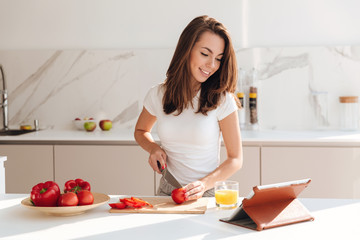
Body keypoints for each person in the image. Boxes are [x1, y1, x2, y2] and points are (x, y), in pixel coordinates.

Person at [134, 15, 243, 201]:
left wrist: (204, 184)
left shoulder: (222, 99)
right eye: (205, 54)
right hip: (168, 191)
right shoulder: (158, 94)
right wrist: (152, 148)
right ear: (187, 49)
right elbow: (141, 130)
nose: (212, 65)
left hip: (207, 193)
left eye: (218, 58)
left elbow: (235, 159)